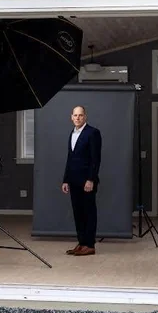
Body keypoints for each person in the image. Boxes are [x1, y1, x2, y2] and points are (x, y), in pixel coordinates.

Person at [61, 105, 102, 256]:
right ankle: (82, 242)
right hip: (74, 181)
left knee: (89, 212)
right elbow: (70, 159)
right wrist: (66, 180)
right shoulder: (72, 133)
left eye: (80, 115)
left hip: (87, 181)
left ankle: (90, 244)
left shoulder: (93, 133)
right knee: (78, 213)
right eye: (75, 115)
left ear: (85, 117)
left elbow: (95, 159)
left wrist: (90, 179)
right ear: (71, 117)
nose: (77, 118)